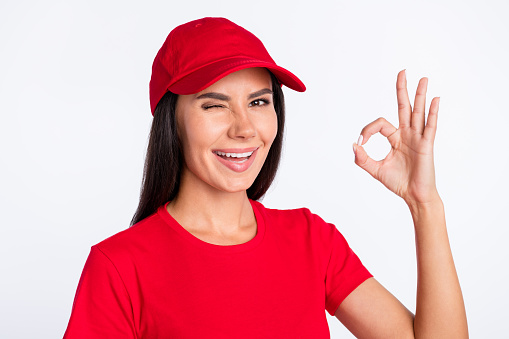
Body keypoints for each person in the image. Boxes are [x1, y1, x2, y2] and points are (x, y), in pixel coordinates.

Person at [63, 17, 468, 338]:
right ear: (173, 123)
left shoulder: (312, 240)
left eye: (259, 101)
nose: (244, 128)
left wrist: (424, 203)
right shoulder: (119, 267)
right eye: (214, 105)